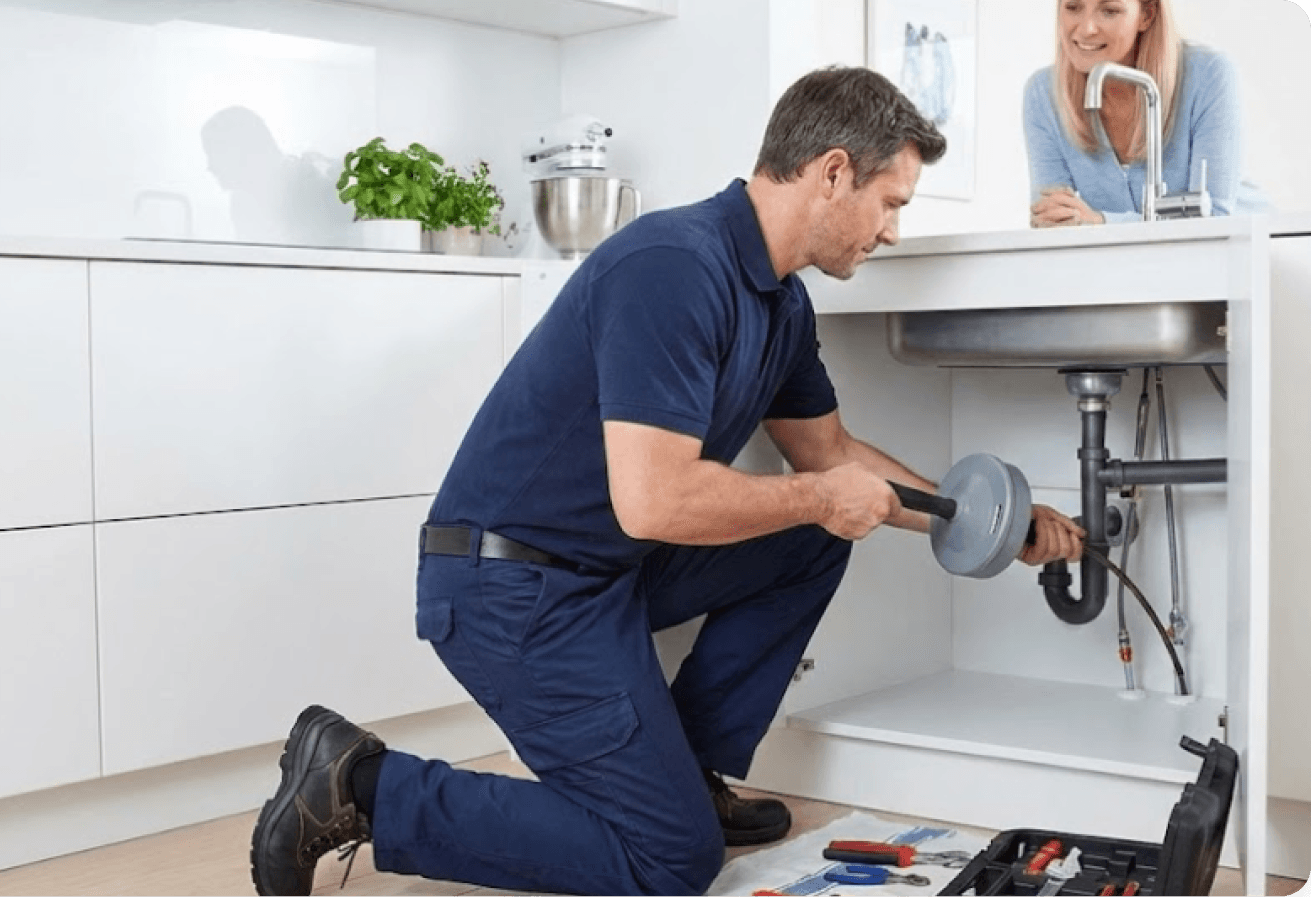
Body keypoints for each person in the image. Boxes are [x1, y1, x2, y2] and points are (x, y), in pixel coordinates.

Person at [249, 66, 1086, 897]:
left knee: (811, 535)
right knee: (668, 861)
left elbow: (830, 458)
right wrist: (822, 498)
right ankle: (358, 784)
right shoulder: (674, 267)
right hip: (507, 584)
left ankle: (688, 777)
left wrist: (980, 521)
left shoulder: (781, 303)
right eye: (892, 203)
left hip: (602, 571)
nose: (893, 231)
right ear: (834, 172)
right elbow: (655, 499)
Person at [1025, 0, 1272, 227]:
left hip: (1256, 252)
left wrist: (1102, 223)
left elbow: (1214, 219)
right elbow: (1051, 218)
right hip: (1141, 265)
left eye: (1109, 10)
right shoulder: (1043, 94)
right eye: (1073, 7)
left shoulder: (1209, 75)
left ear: (1146, 14)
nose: (1087, 28)